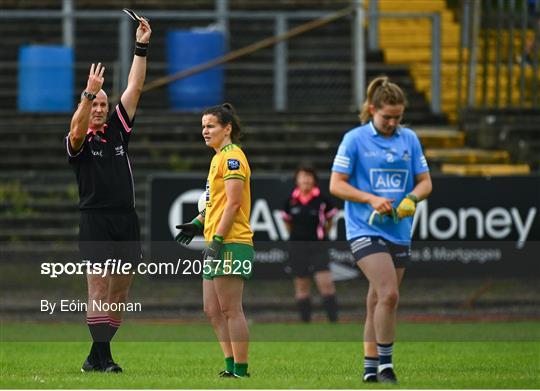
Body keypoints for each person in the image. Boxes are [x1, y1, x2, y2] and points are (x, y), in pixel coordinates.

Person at [329, 76, 432, 384]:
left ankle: (370, 368)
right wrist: (371, 198)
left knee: (377, 300)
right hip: (364, 228)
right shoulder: (355, 139)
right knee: (389, 293)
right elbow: (336, 184)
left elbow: (425, 182)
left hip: (399, 229)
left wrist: (411, 198)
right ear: (372, 109)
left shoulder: (409, 139)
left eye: (398, 117)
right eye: (387, 117)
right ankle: (387, 366)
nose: (392, 123)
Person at [65, 18, 152, 373]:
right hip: (95, 220)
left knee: (120, 296)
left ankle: (95, 356)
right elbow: (74, 128)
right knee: (98, 290)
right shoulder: (79, 140)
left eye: (102, 103)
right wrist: (88, 92)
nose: (100, 109)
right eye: (94, 104)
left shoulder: (118, 129)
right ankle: (104, 359)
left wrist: (141, 46)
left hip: (125, 220)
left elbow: (134, 85)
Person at [175, 103, 253, 378]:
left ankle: (241, 371)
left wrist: (217, 239)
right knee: (212, 309)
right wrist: (197, 223)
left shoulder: (233, 157)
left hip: (231, 241)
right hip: (216, 239)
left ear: (227, 128)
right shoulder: (217, 158)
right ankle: (230, 364)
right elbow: (215, 204)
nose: (205, 131)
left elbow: (233, 204)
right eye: (203, 127)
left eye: (211, 126)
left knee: (231, 308)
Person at [281, 167, 339, 323]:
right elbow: (287, 223)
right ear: (297, 180)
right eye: (302, 177)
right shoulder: (290, 201)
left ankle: (333, 321)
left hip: (318, 247)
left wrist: (321, 235)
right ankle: (305, 323)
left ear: (314, 180)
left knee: (325, 284)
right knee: (301, 286)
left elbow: (329, 221)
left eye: (308, 177)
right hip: (297, 247)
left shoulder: (322, 200)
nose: (305, 180)